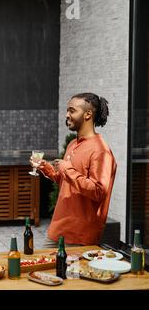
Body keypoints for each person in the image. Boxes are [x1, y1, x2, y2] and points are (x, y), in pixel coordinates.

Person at [31, 93, 117, 247]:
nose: (67, 115)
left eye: (72, 111)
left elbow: (98, 191)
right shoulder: (72, 144)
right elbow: (65, 181)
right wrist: (47, 168)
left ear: (87, 114)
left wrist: (67, 169)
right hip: (58, 229)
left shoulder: (100, 150)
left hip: (79, 236)